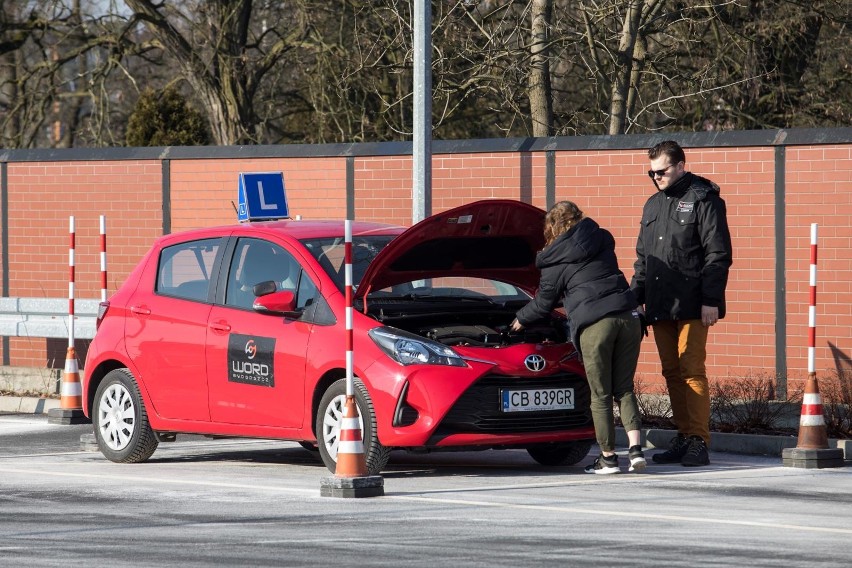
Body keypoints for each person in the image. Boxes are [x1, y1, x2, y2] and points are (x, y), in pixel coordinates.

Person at [511, 201, 647, 475]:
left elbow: (543, 304)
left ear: (552, 228)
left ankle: (608, 458)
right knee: (624, 389)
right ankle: (635, 452)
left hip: (596, 323)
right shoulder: (601, 240)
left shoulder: (553, 260)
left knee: (600, 393)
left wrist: (519, 320)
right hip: (628, 315)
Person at [631, 140, 733, 467]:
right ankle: (685, 435)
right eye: (651, 172)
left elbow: (718, 254)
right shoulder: (652, 206)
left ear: (680, 165)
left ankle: (699, 441)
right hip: (660, 305)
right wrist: (636, 301)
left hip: (693, 304)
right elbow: (643, 261)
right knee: (672, 373)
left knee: (691, 371)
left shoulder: (704, 199)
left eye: (661, 171)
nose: (656, 177)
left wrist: (711, 300)